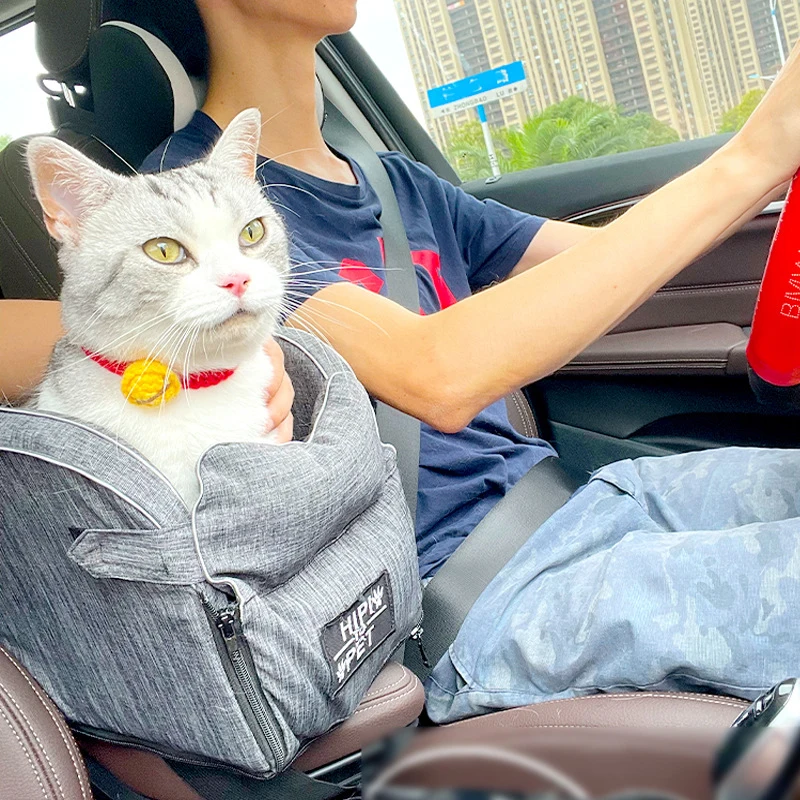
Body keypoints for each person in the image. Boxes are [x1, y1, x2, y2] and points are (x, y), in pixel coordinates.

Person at [4, 0, 800, 723]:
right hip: (465, 593)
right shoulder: (192, 221)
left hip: (575, 501)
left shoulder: (393, 181)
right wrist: (753, 155)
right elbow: (438, 375)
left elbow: (618, 264)